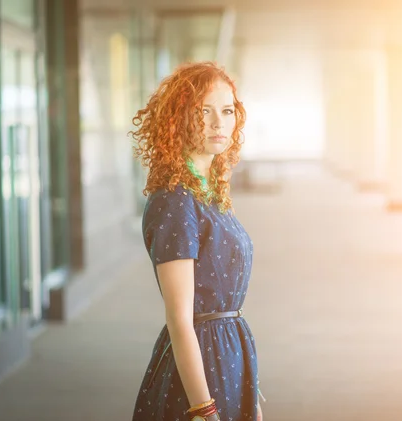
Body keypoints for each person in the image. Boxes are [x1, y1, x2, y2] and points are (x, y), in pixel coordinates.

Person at [129, 61, 264, 421]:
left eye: (226, 110)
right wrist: (203, 408)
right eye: (203, 112)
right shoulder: (175, 200)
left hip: (228, 352)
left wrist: (252, 392)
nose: (218, 123)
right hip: (202, 362)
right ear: (178, 119)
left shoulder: (208, 191)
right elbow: (179, 318)